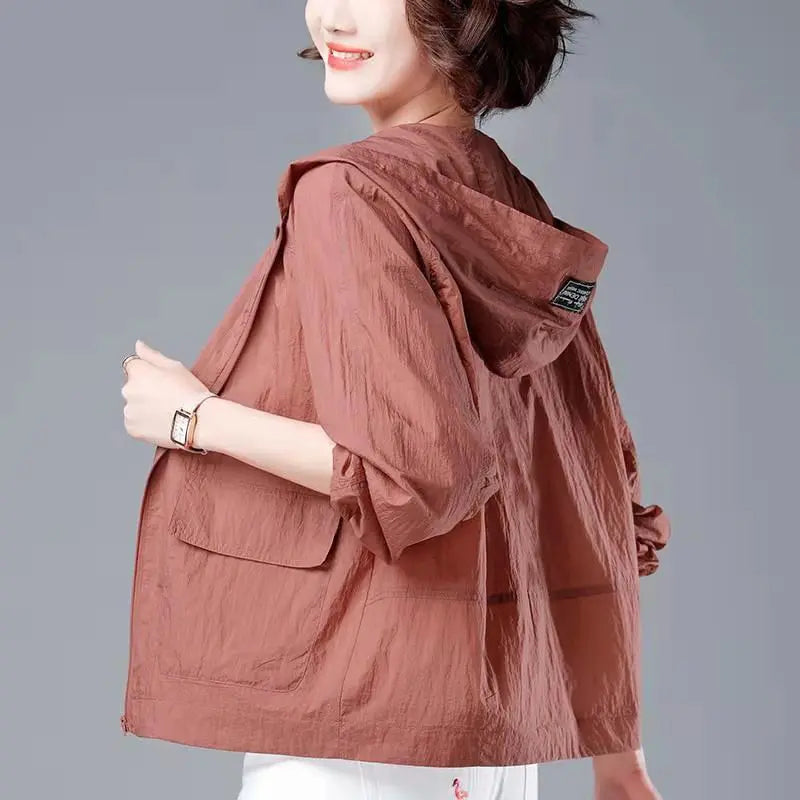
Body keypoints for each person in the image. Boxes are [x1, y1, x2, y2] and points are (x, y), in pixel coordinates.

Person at [119, 1, 670, 799]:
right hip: (494, 744)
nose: (332, 18)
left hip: (357, 724)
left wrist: (191, 419)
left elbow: (413, 472)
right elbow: (593, 488)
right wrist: (620, 759)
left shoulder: (349, 195)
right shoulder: (509, 203)